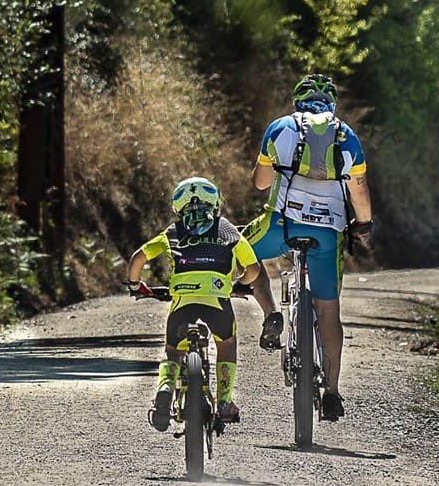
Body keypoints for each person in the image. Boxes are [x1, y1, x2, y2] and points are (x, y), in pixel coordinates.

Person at [244, 74, 374, 421]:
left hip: (281, 225)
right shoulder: (346, 136)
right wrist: (363, 222)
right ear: (332, 105)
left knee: (243, 251)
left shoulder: (281, 128)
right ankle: (331, 392)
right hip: (327, 233)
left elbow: (261, 183)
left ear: (297, 102)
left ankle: (271, 312)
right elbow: (358, 190)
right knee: (329, 312)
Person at [126, 176, 263, 431]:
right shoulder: (229, 231)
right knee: (227, 344)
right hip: (217, 302)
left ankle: (165, 388)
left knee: (173, 352)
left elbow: (138, 258)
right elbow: (253, 269)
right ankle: (224, 401)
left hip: (183, 303)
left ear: (178, 207)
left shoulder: (173, 233)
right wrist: (238, 284)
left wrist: (135, 285)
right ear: (215, 204)